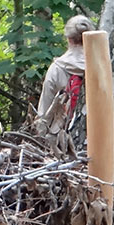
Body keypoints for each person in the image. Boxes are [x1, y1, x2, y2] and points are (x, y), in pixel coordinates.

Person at [34, 14, 94, 155]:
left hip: (62, 145)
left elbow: (44, 112)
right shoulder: (101, 68)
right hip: (98, 141)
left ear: (68, 38)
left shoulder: (56, 68)